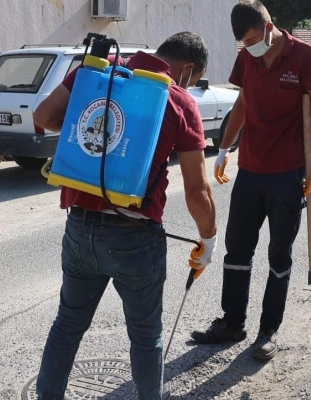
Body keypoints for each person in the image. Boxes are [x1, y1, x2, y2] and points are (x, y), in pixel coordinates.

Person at [33, 31, 217, 400]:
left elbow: (42, 116)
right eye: (194, 82)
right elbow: (197, 189)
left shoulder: (97, 74)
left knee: (67, 325)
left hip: (79, 227)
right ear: (187, 70)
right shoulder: (177, 99)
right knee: (146, 335)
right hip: (135, 237)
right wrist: (208, 239)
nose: (191, 87)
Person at [190, 0, 311, 361]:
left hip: (287, 174)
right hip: (250, 171)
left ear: (269, 27)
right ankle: (232, 323)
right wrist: (224, 149)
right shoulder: (248, 57)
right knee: (237, 250)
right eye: (243, 43)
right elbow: (243, 104)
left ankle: (268, 330)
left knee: (278, 253)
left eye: (253, 39)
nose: (249, 48)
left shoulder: (304, 56)